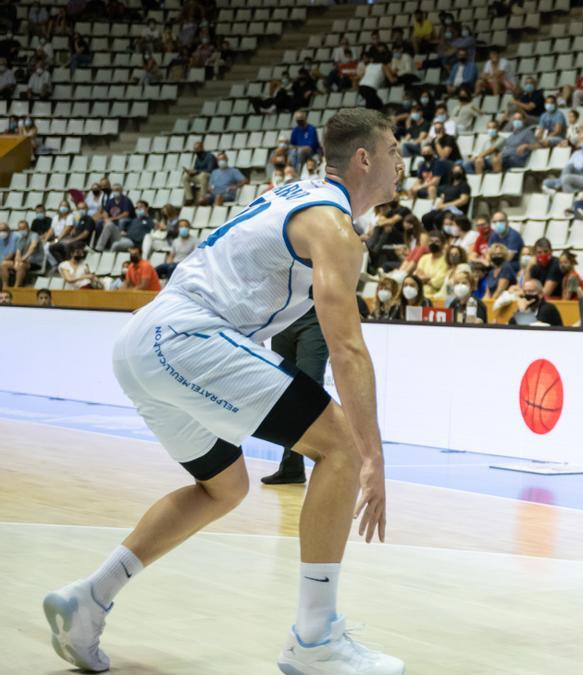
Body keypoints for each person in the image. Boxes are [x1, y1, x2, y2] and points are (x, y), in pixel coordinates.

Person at [42, 109, 406, 674]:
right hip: (186, 337)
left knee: (223, 489)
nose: (401, 165)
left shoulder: (299, 194)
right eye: (394, 153)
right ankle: (314, 642)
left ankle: (88, 598)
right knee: (342, 446)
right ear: (364, 159)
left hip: (144, 342)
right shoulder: (334, 227)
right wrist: (373, 455)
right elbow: (347, 346)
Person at [261, 307, 329, 485]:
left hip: (315, 317)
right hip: (284, 317)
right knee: (284, 390)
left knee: (310, 390)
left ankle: (329, 463)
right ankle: (291, 467)